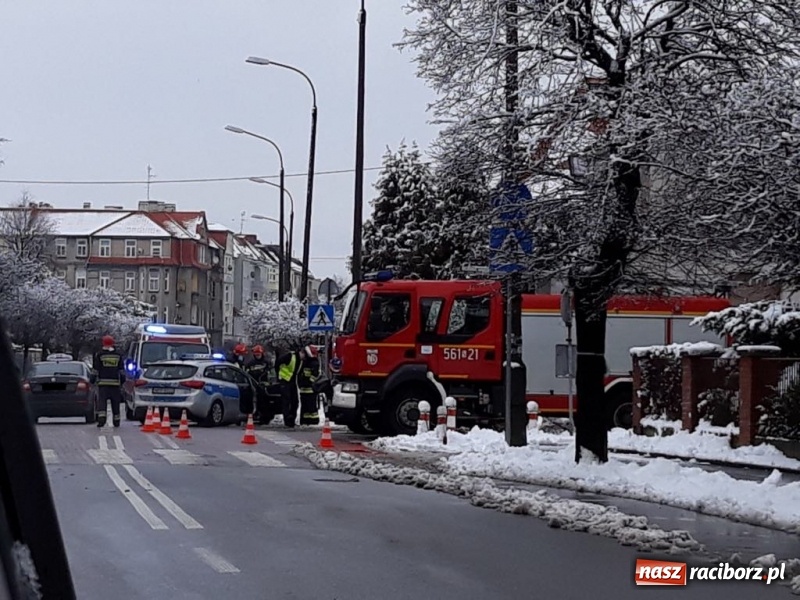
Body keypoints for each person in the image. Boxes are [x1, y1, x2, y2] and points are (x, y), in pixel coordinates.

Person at [93, 335, 124, 428]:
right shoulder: (118, 355)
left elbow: (95, 370)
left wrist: (92, 380)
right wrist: (122, 382)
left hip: (103, 384)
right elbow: (121, 370)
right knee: (115, 403)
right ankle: (116, 421)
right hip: (115, 384)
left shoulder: (100, 355)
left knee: (102, 403)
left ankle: (102, 420)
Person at [274, 345, 309, 428]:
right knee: (286, 400)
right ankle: (287, 420)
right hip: (284, 380)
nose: (305, 358)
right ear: (302, 352)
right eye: (305, 355)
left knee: (295, 401)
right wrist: (279, 375)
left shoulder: (300, 361)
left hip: (292, 381)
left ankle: (292, 419)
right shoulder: (290, 356)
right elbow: (278, 363)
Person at [298, 345, 321, 426]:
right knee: (305, 407)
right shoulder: (305, 362)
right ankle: (305, 420)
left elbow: (314, 375)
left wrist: (308, 382)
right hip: (304, 389)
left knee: (311, 406)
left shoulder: (313, 363)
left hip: (310, 389)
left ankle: (313, 421)